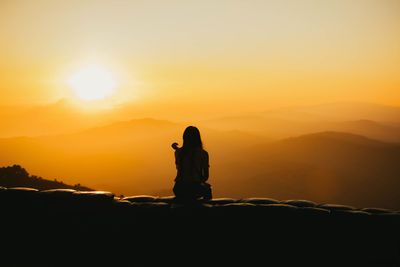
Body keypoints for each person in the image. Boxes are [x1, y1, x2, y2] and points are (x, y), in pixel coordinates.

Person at [172, 126, 212, 202]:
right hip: (194, 189)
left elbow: (180, 166)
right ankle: (207, 211)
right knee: (208, 188)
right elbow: (206, 177)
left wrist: (177, 148)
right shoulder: (203, 154)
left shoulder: (178, 152)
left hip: (179, 189)